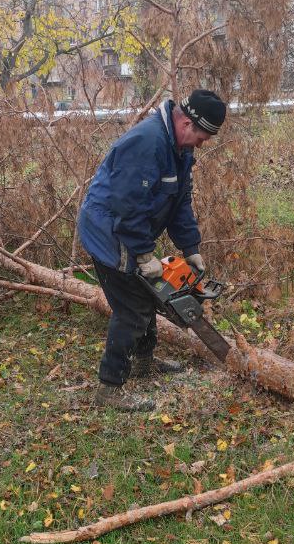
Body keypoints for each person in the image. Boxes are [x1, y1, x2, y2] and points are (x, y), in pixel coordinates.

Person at [76, 89, 227, 411]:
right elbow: (128, 205)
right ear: (186, 123)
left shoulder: (180, 149)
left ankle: (144, 361)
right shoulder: (147, 143)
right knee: (132, 309)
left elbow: (180, 201)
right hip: (109, 231)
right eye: (202, 137)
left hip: (130, 228)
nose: (201, 144)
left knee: (146, 295)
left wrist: (190, 247)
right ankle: (109, 388)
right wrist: (144, 253)